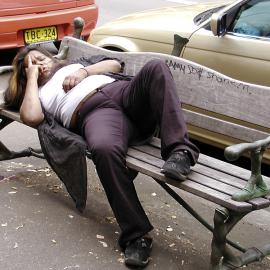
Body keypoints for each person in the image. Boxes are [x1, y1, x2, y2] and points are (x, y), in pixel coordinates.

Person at [5, 45, 199, 268]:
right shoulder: (36, 93)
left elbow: (115, 64)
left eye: (40, 59)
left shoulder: (75, 66)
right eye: (32, 65)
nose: (40, 65)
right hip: (96, 114)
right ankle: (136, 235)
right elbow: (31, 117)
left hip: (123, 93)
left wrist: (83, 72)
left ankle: (180, 152)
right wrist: (31, 78)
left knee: (156, 67)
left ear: (51, 57)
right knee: (103, 148)